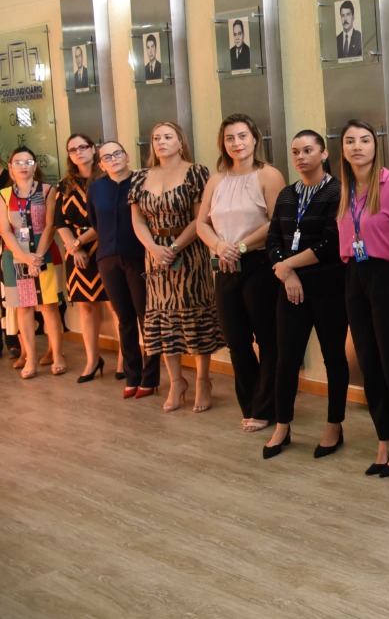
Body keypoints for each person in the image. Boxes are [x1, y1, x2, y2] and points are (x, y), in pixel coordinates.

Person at [337, 119, 389, 476]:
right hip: (355, 275)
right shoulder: (345, 190)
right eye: (350, 141)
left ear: (376, 145)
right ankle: (384, 435)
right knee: (368, 362)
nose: (357, 147)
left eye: (364, 140)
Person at [196, 114, 285, 435]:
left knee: (268, 340)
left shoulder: (269, 175)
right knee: (236, 341)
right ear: (223, 143)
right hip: (224, 265)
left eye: (243, 136)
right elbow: (201, 223)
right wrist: (220, 246)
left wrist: (242, 247)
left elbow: (278, 222)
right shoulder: (216, 180)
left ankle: (268, 407)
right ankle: (249, 405)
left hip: (259, 264)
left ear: (255, 139)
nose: (237, 143)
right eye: (230, 138)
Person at [263, 130, 348, 459]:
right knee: (285, 360)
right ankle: (282, 425)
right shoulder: (286, 194)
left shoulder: (337, 192)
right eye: (295, 150)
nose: (300, 156)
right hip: (291, 289)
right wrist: (287, 274)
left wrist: (287, 267)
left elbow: (331, 243)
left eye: (308, 150)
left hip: (327, 288)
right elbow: (272, 241)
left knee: (333, 357)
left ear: (324, 153)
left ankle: (334, 425)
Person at [130, 122, 222, 411]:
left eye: (168, 137)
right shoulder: (139, 176)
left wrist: (173, 247)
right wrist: (154, 249)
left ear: (180, 142)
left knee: (194, 317)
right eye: (156, 137)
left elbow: (200, 218)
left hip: (189, 253)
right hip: (155, 257)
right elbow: (138, 220)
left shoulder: (196, 172)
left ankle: (203, 381)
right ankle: (176, 381)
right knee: (163, 318)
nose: (161, 142)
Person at [88, 141, 160, 397]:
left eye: (117, 153)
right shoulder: (96, 188)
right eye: (107, 156)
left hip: (139, 256)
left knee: (145, 316)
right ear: (101, 164)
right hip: (107, 258)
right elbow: (94, 221)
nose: (113, 158)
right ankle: (132, 376)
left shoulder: (142, 181)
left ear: (127, 155)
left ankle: (150, 378)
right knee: (124, 319)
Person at [0, 146, 67, 378]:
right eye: (18, 162)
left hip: (45, 252)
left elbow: (50, 226)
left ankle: (57, 355)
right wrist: (25, 257)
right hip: (15, 256)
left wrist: (37, 256)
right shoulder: (4, 194)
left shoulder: (48, 190)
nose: (23, 166)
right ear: (10, 167)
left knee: (49, 306)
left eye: (28, 162)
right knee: (24, 308)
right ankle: (30, 359)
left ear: (35, 166)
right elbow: (6, 231)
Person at [54, 134, 110, 383]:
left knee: (118, 306)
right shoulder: (64, 185)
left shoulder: (108, 179)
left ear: (93, 148)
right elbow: (59, 222)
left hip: (108, 245)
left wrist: (79, 243)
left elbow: (107, 220)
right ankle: (92, 359)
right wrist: (74, 248)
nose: (78, 152)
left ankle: (125, 360)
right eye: (72, 149)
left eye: (83, 147)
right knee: (87, 308)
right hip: (77, 254)